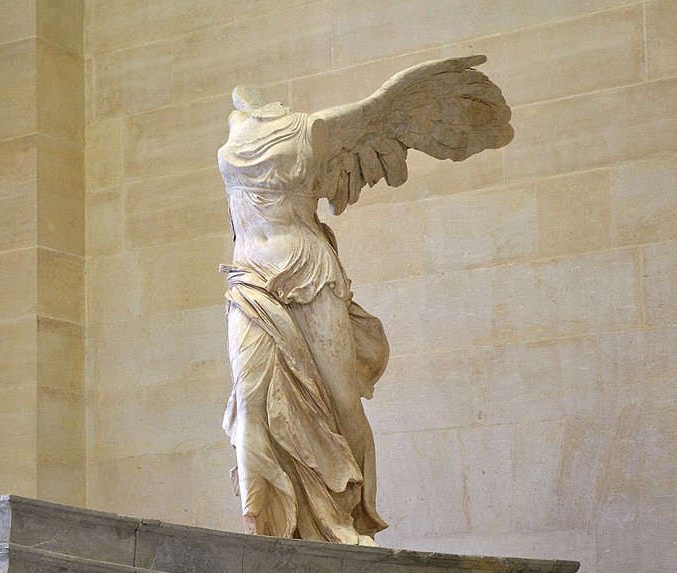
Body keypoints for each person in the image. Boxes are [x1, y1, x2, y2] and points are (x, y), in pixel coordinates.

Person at [218, 60, 512, 544]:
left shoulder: (317, 129)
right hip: (249, 280)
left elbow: (391, 107)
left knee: (344, 402)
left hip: (310, 273)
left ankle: (356, 516)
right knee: (250, 405)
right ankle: (259, 525)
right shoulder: (237, 120)